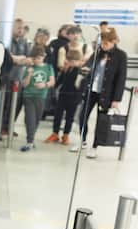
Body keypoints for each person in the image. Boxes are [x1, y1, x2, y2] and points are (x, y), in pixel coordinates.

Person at [73, 28, 128, 159]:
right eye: (102, 43)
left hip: (107, 94)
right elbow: (88, 65)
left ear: (114, 41)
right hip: (91, 90)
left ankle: (94, 146)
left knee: (101, 121)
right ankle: (82, 141)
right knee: (82, 117)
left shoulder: (121, 55)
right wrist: (85, 69)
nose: (103, 46)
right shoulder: (98, 52)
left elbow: (121, 79)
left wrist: (116, 99)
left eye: (106, 43)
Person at [19, 46, 55, 152]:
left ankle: (31, 139)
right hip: (29, 96)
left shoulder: (48, 67)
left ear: (43, 57)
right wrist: (29, 74)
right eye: (34, 58)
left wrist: (45, 85)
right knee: (29, 118)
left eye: (39, 58)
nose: (36, 60)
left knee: (37, 119)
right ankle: (29, 141)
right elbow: (24, 84)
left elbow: (52, 81)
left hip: (41, 96)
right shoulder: (29, 68)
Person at [47, 48, 84, 145]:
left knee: (69, 117)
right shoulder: (65, 70)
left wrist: (80, 98)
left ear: (79, 61)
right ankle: (55, 133)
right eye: (70, 61)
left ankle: (66, 135)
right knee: (58, 115)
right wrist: (54, 88)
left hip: (74, 97)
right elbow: (59, 81)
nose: (72, 63)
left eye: (75, 61)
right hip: (63, 95)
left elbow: (81, 86)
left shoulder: (81, 71)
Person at [1, 19, 32, 136]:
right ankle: (0, 128)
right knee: (4, 104)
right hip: (7, 77)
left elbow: (28, 59)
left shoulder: (24, 42)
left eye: (23, 28)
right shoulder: (6, 40)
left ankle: (9, 127)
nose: (21, 30)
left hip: (19, 78)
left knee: (16, 105)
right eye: (18, 27)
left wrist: (19, 60)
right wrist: (17, 59)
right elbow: (8, 58)